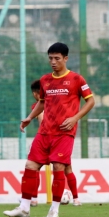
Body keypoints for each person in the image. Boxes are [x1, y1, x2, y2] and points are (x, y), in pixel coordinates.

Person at [4, 42, 94, 217]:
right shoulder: (45, 80)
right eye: (50, 58)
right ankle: (24, 207)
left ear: (65, 58)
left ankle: (54, 209)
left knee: (58, 167)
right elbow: (42, 102)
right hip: (45, 132)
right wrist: (30, 117)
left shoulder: (77, 79)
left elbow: (90, 101)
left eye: (57, 58)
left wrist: (75, 118)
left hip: (64, 133)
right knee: (30, 166)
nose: (53, 62)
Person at [29, 79, 82, 207]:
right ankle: (76, 199)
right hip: (62, 138)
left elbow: (43, 122)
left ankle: (34, 199)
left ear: (36, 94)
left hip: (47, 139)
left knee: (35, 167)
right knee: (66, 168)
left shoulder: (39, 105)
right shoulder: (57, 101)